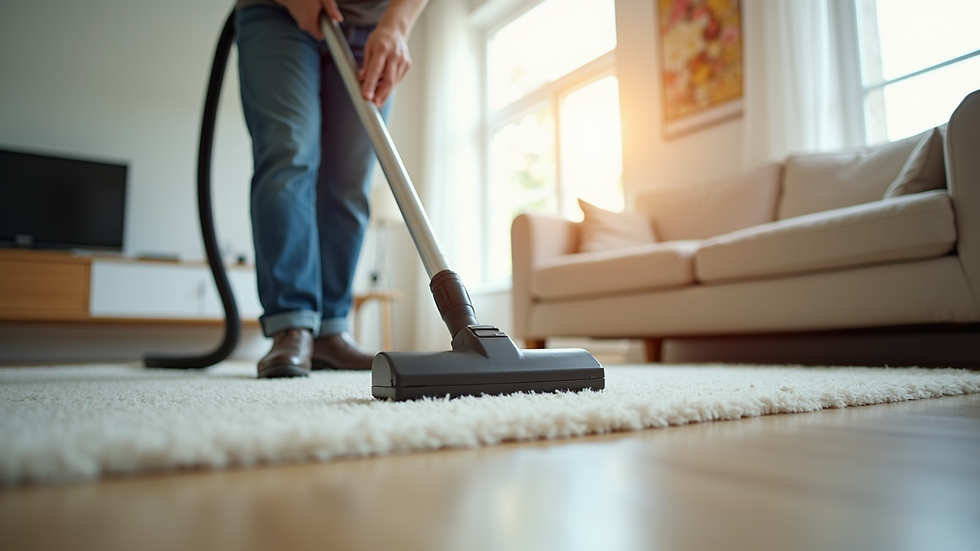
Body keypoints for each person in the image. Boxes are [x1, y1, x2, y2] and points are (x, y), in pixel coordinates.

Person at [235, 0, 427, 378]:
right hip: (277, 13)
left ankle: (329, 330)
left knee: (350, 177)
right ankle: (293, 324)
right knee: (289, 152)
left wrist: (397, 25)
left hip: (373, 25)